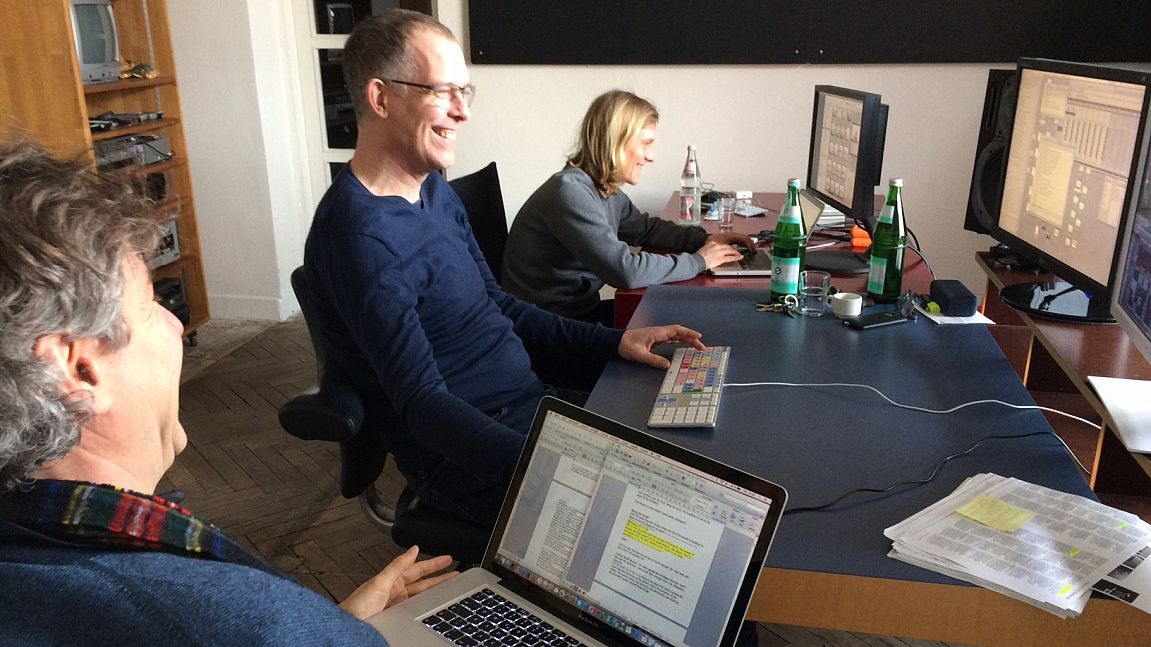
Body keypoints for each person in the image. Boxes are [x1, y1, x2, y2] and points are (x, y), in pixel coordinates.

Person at [0, 140, 460, 644]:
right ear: (80, 370)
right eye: (151, 303)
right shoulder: (237, 622)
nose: (176, 324)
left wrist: (332, 628)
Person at [303, 11, 705, 530]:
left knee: (689, 457)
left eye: (464, 91)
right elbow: (423, 404)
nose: (462, 111)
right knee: (664, 524)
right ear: (381, 98)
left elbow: (499, 307)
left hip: (530, 406)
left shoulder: (433, 191)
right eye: (441, 91)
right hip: (465, 458)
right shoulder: (357, 238)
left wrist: (615, 343)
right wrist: (550, 466)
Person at [501, 90, 756, 325]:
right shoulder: (570, 193)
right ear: (615, 141)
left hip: (575, 316)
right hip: (549, 327)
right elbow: (626, 271)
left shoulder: (602, 188)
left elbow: (645, 229)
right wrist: (700, 261)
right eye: (645, 143)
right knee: (684, 324)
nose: (650, 156)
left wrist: (706, 239)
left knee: (683, 319)